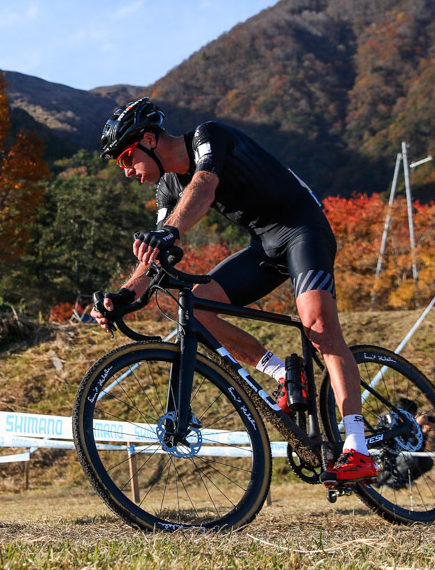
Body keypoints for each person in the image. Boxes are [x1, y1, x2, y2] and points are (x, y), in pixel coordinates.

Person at [92, 97, 376, 485]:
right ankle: (283, 374)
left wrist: (170, 232)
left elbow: (205, 187)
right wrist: (123, 295)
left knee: (319, 328)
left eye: (126, 158)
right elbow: (154, 254)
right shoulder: (166, 189)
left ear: (149, 139)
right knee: (197, 308)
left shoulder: (208, 136)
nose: (126, 171)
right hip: (263, 245)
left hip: (303, 230)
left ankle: (358, 448)